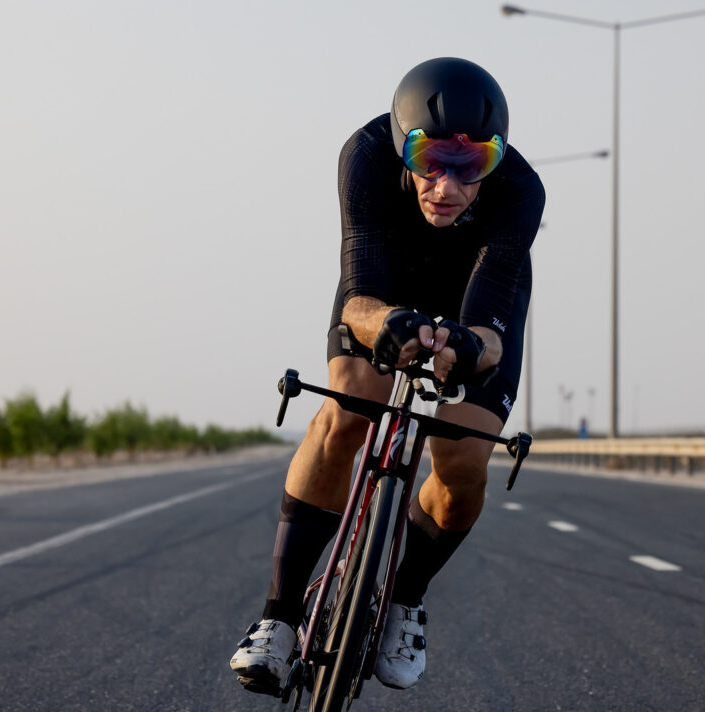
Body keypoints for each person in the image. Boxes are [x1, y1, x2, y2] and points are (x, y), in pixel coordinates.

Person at [230, 56, 545, 694]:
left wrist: (467, 343)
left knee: (461, 463)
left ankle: (405, 596)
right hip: (386, 287)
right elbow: (359, 290)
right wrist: (390, 325)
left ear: (496, 158)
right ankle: (279, 620)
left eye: (471, 166)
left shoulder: (522, 191)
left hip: (475, 302)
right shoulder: (367, 155)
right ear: (403, 144)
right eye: (430, 160)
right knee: (348, 405)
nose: (447, 185)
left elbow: (488, 327)